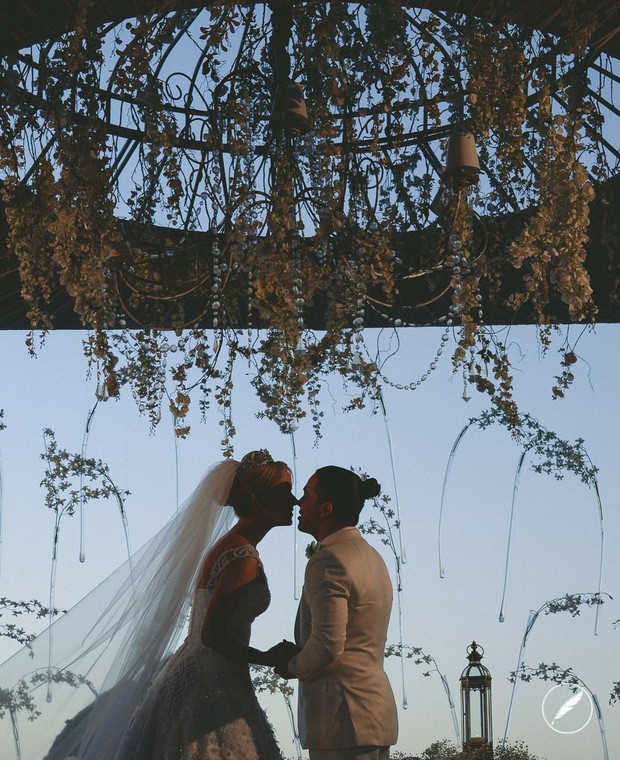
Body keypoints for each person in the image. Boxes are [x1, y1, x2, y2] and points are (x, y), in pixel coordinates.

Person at [37, 449, 297, 760]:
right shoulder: (241, 558)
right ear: (258, 499)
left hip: (203, 673)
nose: (294, 501)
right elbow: (212, 635)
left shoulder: (232, 549)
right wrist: (268, 658)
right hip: (212, 684)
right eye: (285, 491)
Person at [275, 466, 398, 760]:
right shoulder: (373, 557)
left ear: (325, 509)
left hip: (342, 718)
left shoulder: (329, 560)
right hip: (373, 714)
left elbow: (328, 644)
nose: (297, 503)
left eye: (306, 496)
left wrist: (290, 665)